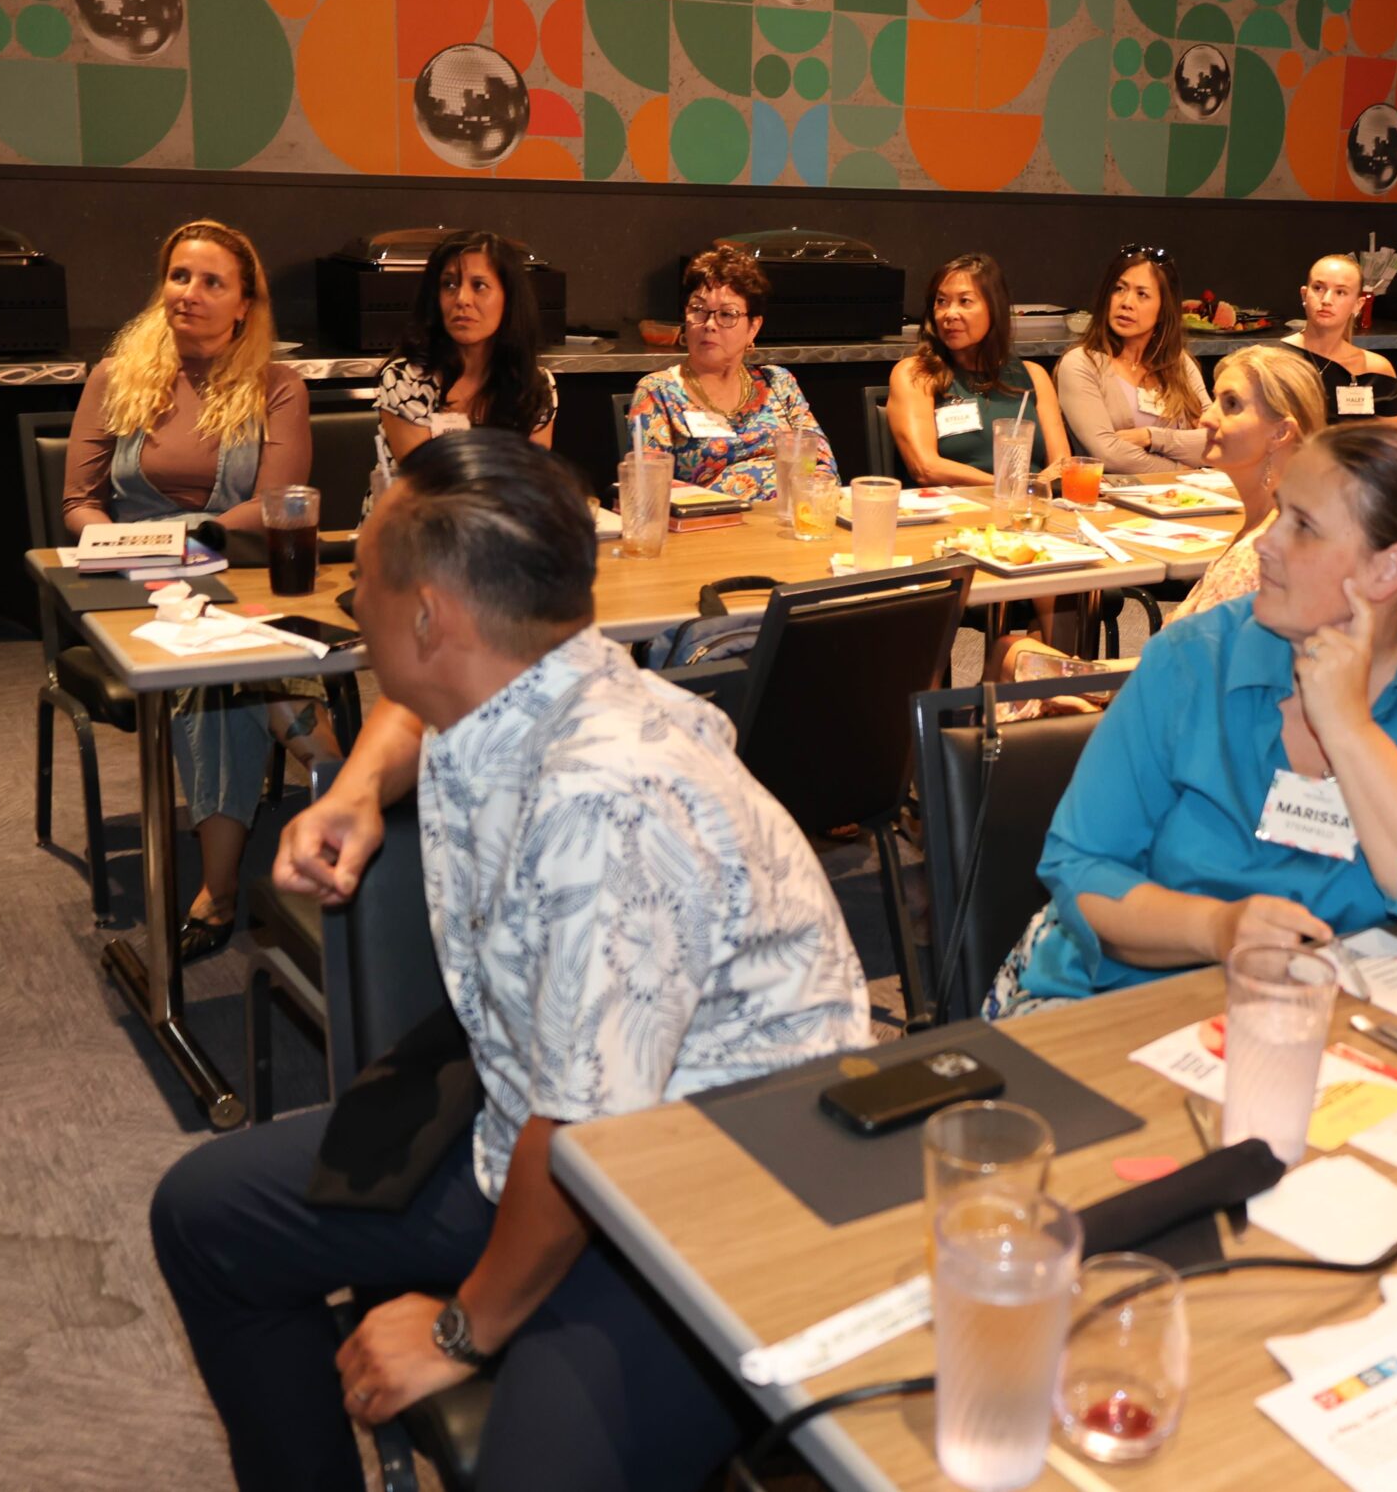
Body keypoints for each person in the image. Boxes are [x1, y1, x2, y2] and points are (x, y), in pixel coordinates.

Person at [150, 433, 872, 1492]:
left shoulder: (604, 802)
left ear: (428, 618)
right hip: (556, 1114)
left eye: (364, 589)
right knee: (206, 1217)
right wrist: (357, 789)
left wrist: (457, 1330)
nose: (354, 607)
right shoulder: (524, 672)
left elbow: (586, 1134)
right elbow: (411, 702)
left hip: (715, 1187)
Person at [984, 423, 1397, 1015]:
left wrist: (1351, 731)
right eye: (1279, 513)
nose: (1265, 544)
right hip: (1118, 1001)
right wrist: (1217, 929)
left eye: (1303, 526)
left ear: (1386, 571)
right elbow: (1081, 869)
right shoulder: (1195, 659)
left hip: (1340, 1013)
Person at [63, 218, 336, 959]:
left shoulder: (277, 386)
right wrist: (128, 552)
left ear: (245, 304)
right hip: (131, 584)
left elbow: (277, 501)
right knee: (219, 663)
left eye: (212, 282)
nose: (189, 292)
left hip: (233, 572)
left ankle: (219, 891)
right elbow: (79, 502)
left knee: (222, 666)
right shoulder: (115, 376)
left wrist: (191, 548)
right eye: (179, 276)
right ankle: (344, 785)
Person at [989, 348, 1328, 696]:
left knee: (1011, 657)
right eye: (1214, 401)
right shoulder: (1278, 527)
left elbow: (1203, 682)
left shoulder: (1262, 552)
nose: (1206, 418)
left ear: (1280, 433)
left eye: (1231, 405)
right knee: (1012, 653)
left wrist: (1085, 685)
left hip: (1172, 711)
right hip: (1176, 691)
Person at [363, 229, 558, 518]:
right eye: (449, 285)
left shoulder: (536, 385)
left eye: (479, 286)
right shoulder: (406, 379)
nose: (462, 299)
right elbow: (431, 486)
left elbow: (533, 484)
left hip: (500, 532)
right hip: (412, 530)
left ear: (509, 299)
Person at [628, 243, 833, 501]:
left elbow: (823, 465)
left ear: (753, 328)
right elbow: (649, 490)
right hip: (709, 522)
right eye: (698, 310)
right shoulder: (658, 392)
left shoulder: (778, 384)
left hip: (789, 517)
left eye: (727, 314)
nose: (710, 324)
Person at [886, 252, 1069, 486]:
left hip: (1028, 503)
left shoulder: (1033, 375)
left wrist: (1029, 492)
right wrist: (1008, 487)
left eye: (965, 301)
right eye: (941, 301)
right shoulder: (917, 374)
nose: (950, 314)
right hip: (953, 504)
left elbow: (1062, 464)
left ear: (994, 308)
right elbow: (925, 468)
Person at [1056, 243, 1213, 477]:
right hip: (1110, 496)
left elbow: (1215, 441)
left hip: (1184, 495)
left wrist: (1151, 438)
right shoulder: (1081, 363)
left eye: (1142, 294)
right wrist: (1181, 470)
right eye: (1119, 289)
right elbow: (1109, 455)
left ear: (1164, 307)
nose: (1126, 302)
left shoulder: (1178, 363)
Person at [1281, 252, 1397, 421]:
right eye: (1318, 288)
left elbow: (1395, 436)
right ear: (1304, 295)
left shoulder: (1376, 369)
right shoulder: (1272, 360)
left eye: (1340, 292)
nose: (1326, 300)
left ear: (1358, 305)